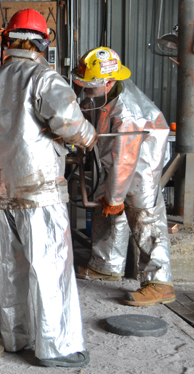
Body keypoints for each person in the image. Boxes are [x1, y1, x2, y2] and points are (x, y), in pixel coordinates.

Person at [0, 9, 96, 368]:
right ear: (42, 44)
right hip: (39, 194)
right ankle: (59, 348)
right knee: (50, 268)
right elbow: (70, 124)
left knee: (11, 269)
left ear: (7, 42)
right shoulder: (44, 79)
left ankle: (16, 338)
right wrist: (88, 136)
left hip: (1, 191)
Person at [72, 47, 175, 306]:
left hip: (141, 165)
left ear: (108, 82)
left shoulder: (128, 114)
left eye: (89, 86)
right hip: (117, 162)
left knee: (144, 216)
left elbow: (126, 160)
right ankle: (107, 265)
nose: (85, 90)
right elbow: (87, 108)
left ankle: (160, 281)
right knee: (107, 207)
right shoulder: (106, 93)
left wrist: (117, 195)